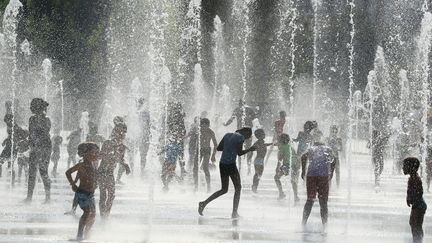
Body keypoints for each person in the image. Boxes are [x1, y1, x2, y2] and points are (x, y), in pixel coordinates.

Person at [198, 127, 255, 219]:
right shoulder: (240, 137)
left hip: (222, 164)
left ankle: (203, 203)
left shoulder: (227, 135)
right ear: (245, 132)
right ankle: (234, 212)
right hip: (231, 165)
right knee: (238, 187)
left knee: (224, 189)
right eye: (247, 136)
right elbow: (240, 153)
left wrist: (229, 146)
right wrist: (250, 149)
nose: (246, 138)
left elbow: (219, 148)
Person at [65, 143, 100, 241]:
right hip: (82, 193)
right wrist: (73, 184)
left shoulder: (92, 164)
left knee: (93, 215)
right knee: (87, 212)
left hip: (90, 195)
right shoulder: (82, 164)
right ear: (85, 154)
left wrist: (95, 182)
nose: (96, 155)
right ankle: (79, 235)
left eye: (97, 153)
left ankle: (87, 234)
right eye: (93, 153)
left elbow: (90, 176)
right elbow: (68, 172)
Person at [301, 139, 335, 229]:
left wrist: (303, 170)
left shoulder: (312, 148)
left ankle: (303, 223)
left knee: (310, 200)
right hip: (323, 176)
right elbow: (334, 159)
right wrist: (331, 172)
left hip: (311, 175)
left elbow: (303, 157)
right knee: (323, 202)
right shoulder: (328, 149)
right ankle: (325, 225)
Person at [98, 123, 130, 218]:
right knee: (103, 195)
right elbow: (100, 155)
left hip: (110, 173)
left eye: (123, 133)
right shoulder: (107, 143)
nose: (122, 135)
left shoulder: (122, 147)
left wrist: (125, 165)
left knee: (111, 195)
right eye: (120, 132)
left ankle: (106, 215)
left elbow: (121, 158)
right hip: (102, 172)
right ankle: (102, 216)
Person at [25, 98, 52, 203]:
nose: (30, 107)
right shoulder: (31, 119)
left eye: (32, 105)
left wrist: (36, 143)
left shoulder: (46, 119)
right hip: (34, 147)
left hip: (44, 147)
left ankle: (48, 198)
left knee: (43, 171)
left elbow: (45, 133)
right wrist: (29, 143)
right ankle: (29, 197)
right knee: (31, 171)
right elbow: (31, 133)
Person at [224, 99, 257, 174]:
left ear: (239, 104)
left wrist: (226, 124)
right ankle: (248, 168)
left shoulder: (237, 109)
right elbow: (255, 119)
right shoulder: (250, 109)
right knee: (248, 149)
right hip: (248, 131)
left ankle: (240, 168)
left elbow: (231, 119)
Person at [161, 102, 186, 190]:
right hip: (174, 140)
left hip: (176, 140)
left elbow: (181, 130)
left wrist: (178, 136)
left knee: (177, 157)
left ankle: (179, 175)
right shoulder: (177, 116)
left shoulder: (177, 116)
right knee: (177, 156)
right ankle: (179, 173)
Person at [403, 157, 427, 243]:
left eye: (404, 166)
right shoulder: (412, 178)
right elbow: (411, 191)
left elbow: (420, 192)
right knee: (413, 223)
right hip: (417, 205)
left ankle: (418, 240)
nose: (403, 168)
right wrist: (408, 198)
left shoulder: (415, 179)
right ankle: (417, 240)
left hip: (419, 205)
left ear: (410, 167)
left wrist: (413, 200)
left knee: (416, 225)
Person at [193, 118, 217, 192]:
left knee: (205, 168)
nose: (203, 127)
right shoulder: (198, 131)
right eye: (202, 125)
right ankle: (196, 186)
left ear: (208, 125)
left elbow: (215, 145)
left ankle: (208, 187)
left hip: (207, 150)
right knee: (195, 168)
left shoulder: (211, 132)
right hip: (198, 150)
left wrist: (213, 155)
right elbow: (192, 139)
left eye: (205, 126)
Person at [292, 121, 314, 202]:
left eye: (307, 126)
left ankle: (304, 185)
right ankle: (297, 186)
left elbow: (311, 147)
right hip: (298, 155)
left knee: (304, 171)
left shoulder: (311, 137)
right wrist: (292, 140)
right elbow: (297, 140)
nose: (305, 127)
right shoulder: (300, 133)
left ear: (310, 128)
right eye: (305, 126)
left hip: (305, 156)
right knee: (298, 170)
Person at [274, 133, 297, 200]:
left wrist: (277, 168)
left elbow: (280, 160)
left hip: (286, 166)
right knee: (293, 181)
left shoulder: (282, 148)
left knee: (276, 178)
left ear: (281, 141)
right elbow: (296, 157)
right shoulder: (291, 147)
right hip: (293, 166)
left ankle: (281, 193)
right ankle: (296, 196)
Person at [251, 129, 272, 193]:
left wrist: (272, 144)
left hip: (260, 161)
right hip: (258, 160)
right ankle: (254, 186)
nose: (264, 134)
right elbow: (253, 147)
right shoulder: (258, 142)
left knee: (259, 174)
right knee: (257, 174)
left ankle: (255, 186)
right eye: (263, 134)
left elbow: (265, 144)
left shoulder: (262, 142)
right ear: (260, 136)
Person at [137, 98, 151, 175]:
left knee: (143, 154)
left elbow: (148, 124)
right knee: (143, 154)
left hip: (144, 136)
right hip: (142, 136)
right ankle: (141, 170)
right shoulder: (140, 113)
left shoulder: (145, 113)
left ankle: (142, 170)